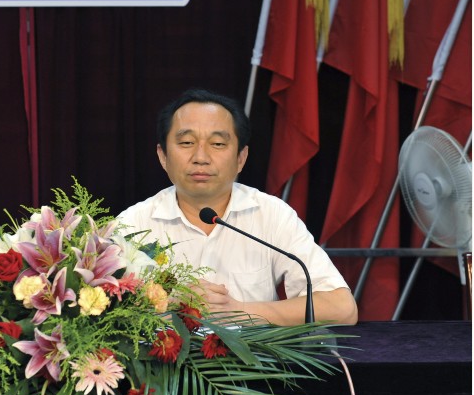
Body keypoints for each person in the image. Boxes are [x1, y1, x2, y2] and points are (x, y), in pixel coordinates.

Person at [117, 88, 358, 326]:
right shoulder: (133, 224)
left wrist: (239, 311)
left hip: (255, 353)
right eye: (187, 142)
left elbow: (342, 308)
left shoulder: (271, 215)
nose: (201, 157)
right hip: (162, 353)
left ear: (240, 158)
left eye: (217, 143)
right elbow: (102, 310)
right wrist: (172, 306)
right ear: (163, 156)